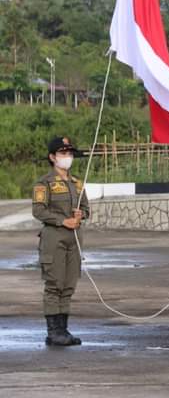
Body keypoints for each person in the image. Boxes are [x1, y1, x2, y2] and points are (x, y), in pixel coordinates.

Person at [32, 136, 89, 346]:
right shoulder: (44, 183)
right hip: (54, 237)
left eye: (70, 154)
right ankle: (53, 331)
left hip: (74, 239)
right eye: (63, 154)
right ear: (52, 157)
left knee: (68, 284)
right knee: (54, 284)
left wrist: (80, 214)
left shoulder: (76, 183)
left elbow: (87, 208)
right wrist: (63, 220)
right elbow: (38, 210)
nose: (67, 158)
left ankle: (63, 330)